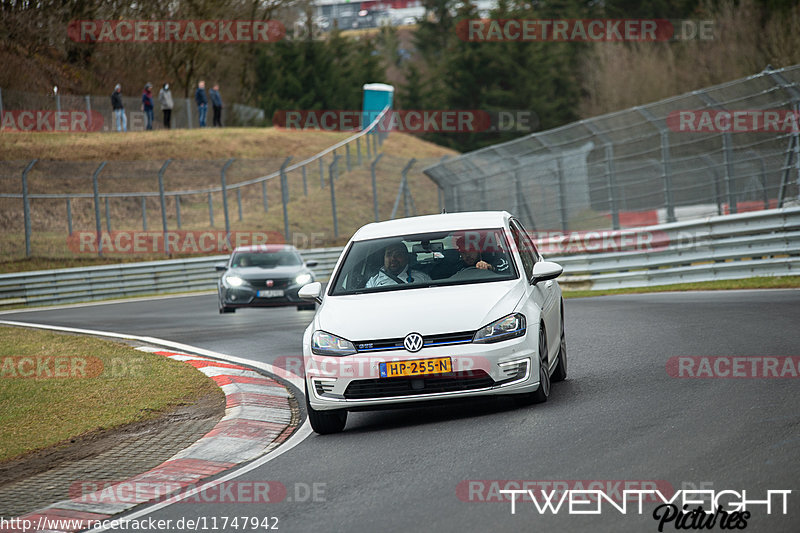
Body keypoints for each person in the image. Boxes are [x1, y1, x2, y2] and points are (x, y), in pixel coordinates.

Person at [365, 242, 432, 288]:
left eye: (398, 254)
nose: (393, 258)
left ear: (406, 257)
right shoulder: (373, 282)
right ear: (384, 258)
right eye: (389, 254)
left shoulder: (422, 278)